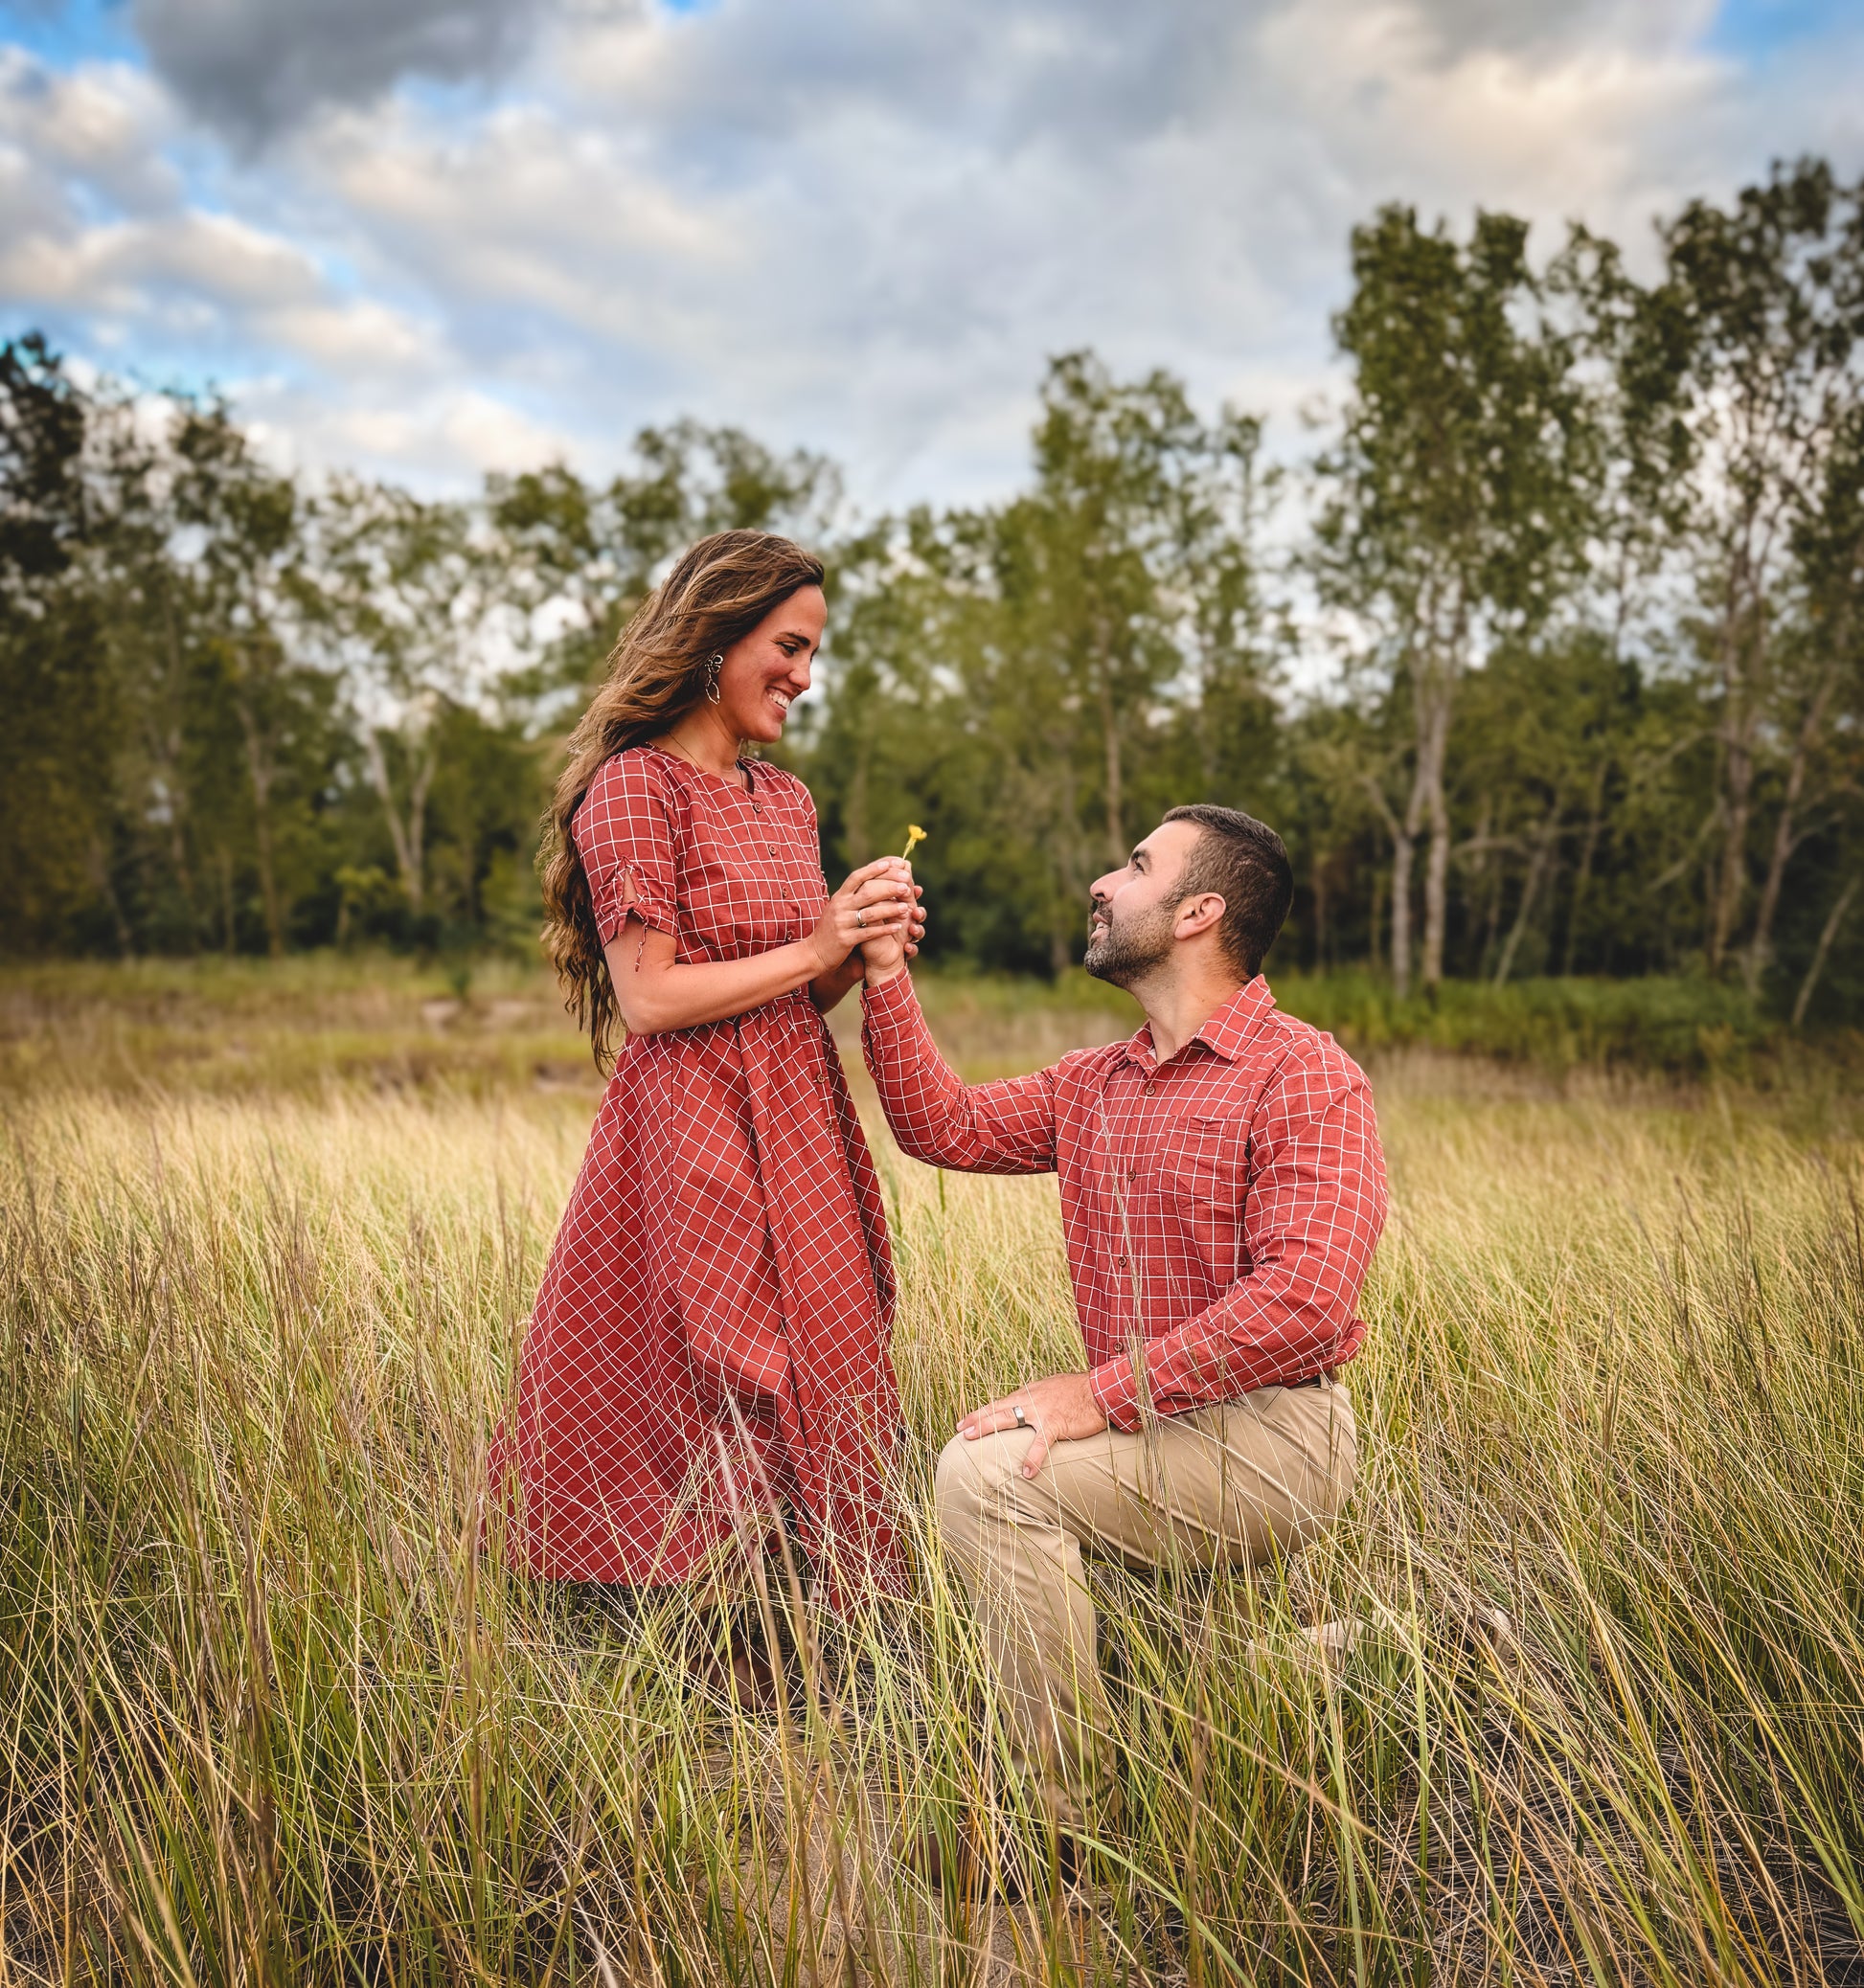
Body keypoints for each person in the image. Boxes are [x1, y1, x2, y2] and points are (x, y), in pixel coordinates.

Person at [859, 803, 1387, 1875]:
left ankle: (1051, 1824)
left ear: (1198, 912)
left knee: (987, 1479)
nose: (1104, 880)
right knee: (1175, 1686)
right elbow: (941, 1124)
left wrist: (1102, 1393)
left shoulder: (1303, 1074)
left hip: (1275, 1442)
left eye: (1136, 866)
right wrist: (881, 977)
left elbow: (1307, 1302)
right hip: (1163, 1438)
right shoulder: (1090, 1085)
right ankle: (1401, 1651)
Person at [490, 530, 923, 1653]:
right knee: (718, 1376)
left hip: (797, 1113)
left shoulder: (786, 801)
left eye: (813, 652)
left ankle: (817, 1639)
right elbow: (649, 997)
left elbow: (792, 993)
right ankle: (670, 1646)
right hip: (687, 1123)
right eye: (787, 646)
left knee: (830, 1363)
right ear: (713, 638)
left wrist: (856, 943)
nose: (804, 675)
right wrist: (814, 941)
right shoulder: (633, 789)